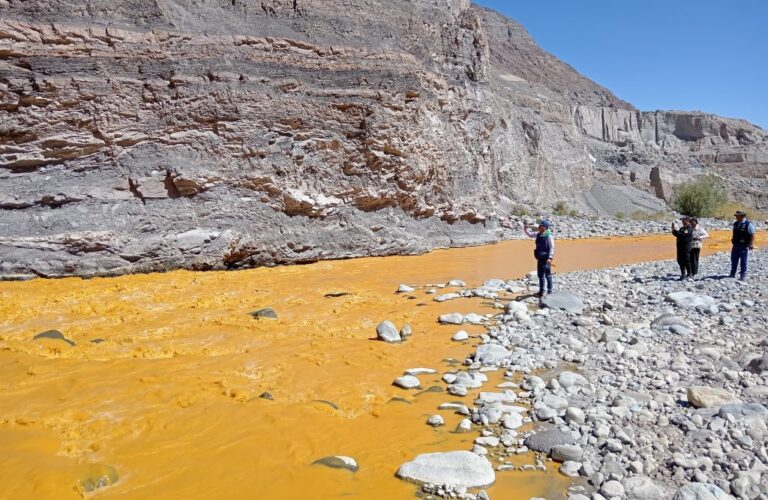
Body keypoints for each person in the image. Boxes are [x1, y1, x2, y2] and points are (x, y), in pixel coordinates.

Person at [524, 219, 555, 297]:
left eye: (540, 226)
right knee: (540, 275)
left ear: (545, 227)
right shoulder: (538, 234)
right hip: (540, 258)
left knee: (548, 275)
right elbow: (530, 235)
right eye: (539, 226)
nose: (539, 227)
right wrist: (525, 229)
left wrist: (550, 258)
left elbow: (552, 248)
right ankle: (541, 291)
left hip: (546, 259)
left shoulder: (549, 236)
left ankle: (550, 292)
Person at [730, 210, 756, 280]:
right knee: (734, 260)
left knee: (743, 261)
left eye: (737, 215)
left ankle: (743, 275)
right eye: (736, 215)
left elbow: (752, 234)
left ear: (742, 216)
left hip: (744, 246)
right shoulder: (736, 223)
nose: (736, 217)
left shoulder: (748, 224)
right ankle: (732, 274)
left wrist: (751, 244)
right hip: (735, 245)